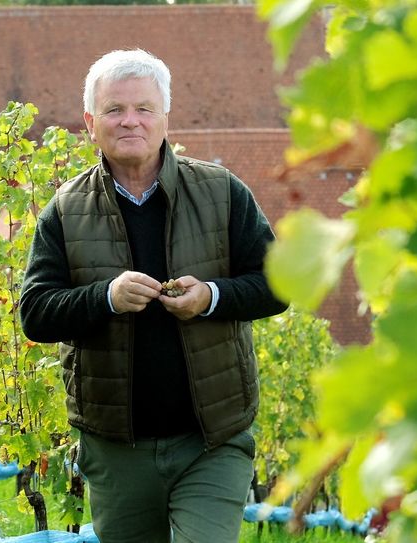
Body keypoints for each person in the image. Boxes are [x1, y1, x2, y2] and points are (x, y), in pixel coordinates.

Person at [19, 49, 288, 543]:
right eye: (114, 110)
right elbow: (35, 313)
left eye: (144, 109)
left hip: (212, 440)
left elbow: (278, 284)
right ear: (90, 122)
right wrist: (105, 298)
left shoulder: (222, 191)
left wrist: (211, 296)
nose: (130, 122)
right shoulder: (65, 210)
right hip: (117, 448)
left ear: (166, 116)